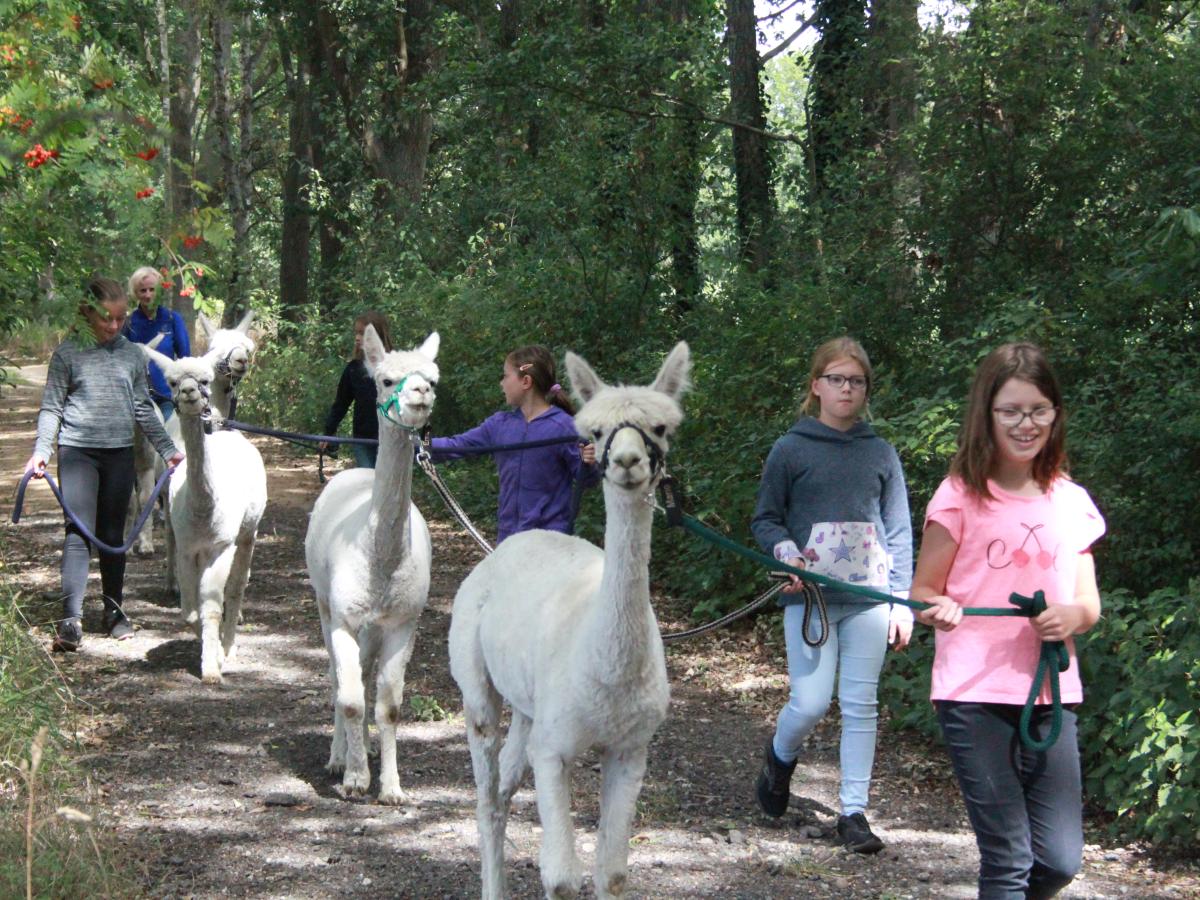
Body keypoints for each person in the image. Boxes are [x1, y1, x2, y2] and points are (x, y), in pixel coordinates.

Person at [910, 343, 1104, 899]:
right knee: (1010, 857)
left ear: (1056, 413)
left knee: (1061, 860)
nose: (1026, 424)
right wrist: (937, 608)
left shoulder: (1071, 501)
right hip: (972, 692)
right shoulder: (959, 495)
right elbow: (924, 589)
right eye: (1011, 411)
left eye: (1039, 410)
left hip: (1050, 692)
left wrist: (1071, 615)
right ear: (986, 415)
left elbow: (1089, 605)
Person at [750, 336, 913, 854]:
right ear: (816, 386)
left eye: (857, 381)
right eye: (837, 379)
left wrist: (902, 598)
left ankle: (854, 813)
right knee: (811, 702)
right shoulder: (790, 449)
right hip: (810, 599)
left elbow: (900, 529)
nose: (847, 389)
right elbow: (766, 518)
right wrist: (786, 552)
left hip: (870, 597)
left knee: (861, 703)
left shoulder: (880, 452)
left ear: (866, 390)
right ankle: (779, 759)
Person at [24, 277, 184, 651]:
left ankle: (113, 610)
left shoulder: (130, 354)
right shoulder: (67, 353)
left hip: (119, 453)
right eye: (105, 319)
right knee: (78, 531)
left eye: (118, 319)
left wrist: (167, 450)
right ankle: (70, 619)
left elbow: (144, 407)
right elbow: (52, 407)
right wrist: (42, 450)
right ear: (86, 315)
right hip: (78, 452)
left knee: (113, 537)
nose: (113, 326)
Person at [430, 345, 598, 543]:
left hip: (551, 544)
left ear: (525, 381)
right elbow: (455, 446)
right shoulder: (499, 424)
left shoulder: (564, 427)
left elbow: (588, 480)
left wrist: (589, 462)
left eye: (505, 376)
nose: (501, 383)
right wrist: (413, 443)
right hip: (508, 542)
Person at [319, 311, 393, 469]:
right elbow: (341, 404)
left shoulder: (396, 367)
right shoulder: (353, 370)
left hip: (390, 440)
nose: (357, 337)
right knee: (368, 483)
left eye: (362, 333)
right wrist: (328, 433)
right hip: (362, 440)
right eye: (356, 333)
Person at [123, 265, 191, 420]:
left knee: (168, 438)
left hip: (166, 397)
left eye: (152, 289)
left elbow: (185, 359)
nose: (148, 295)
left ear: (159, 290)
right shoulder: (128, 323)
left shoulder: (172, 319)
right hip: (135, 398)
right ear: (136, 293)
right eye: (143, 290)